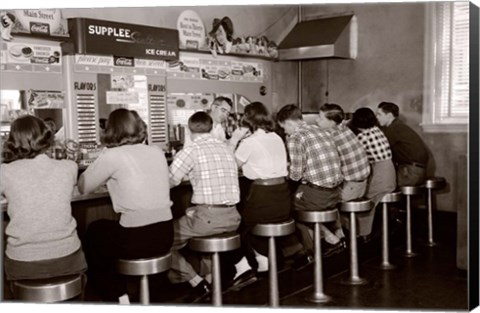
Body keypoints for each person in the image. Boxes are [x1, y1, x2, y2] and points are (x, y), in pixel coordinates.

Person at [78, 108, 173, 302]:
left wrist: (102, 156)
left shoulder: (113, 155)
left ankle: (119, 295)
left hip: (136, 239)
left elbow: (83, 187)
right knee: (106, 231)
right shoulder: (156, 151)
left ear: (110, 130)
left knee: (95, 232)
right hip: (165, 234)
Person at [1, 115, 87, 290]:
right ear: (45, 137)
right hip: (68, 259)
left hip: (24, 263)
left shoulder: (5, 172)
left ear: (13, 141)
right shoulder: (68, 167)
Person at [168, 111, 241, 303]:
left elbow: (170, 181)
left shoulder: (191, 150)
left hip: (208, 219)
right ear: (211, 127)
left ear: (188, 130)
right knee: (199, 221)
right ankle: (210, 281)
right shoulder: (226, 148)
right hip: (233, 217)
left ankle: (196, 281)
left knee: (162, 239)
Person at [276, 104, 345, 256]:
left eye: (284, 128)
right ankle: (333, 236)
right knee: (300, 196)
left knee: (287, 210)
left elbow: (296, 175)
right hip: (335, 194)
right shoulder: (321, 130)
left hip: (318, 196)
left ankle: (316, 249)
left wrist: (283, 170)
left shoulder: (295, 137)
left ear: (289, 123)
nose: (284, 131)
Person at [316, 103, 371, 242]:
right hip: (361, 185)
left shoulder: (332, 136)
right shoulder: (344, 129)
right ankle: (339, 233)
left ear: (332, 122)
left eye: (320, 118)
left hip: (350, 188)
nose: (317, 120)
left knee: (315, 202)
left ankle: (332, 238)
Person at [348, 107, 396, 240]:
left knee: (364, 200)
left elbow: (354, 158)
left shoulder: (362, 137)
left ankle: (362, 234)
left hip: (380, 176)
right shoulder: (377, 130)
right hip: (390, 174)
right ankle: (367, 233)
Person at [376, 102, 429, 186]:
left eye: (379, 114)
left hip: (410, 173)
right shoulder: (399, 126)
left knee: (376, 184)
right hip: (417, 171)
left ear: (389, 115)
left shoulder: (393, 129)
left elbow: (381, 153)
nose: (377, 118)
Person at [183, 96, 248, 150]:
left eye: (227, 113)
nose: (225, 115)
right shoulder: (200, 122)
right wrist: (234, 140)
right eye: (223, 110)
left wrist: (237, 136)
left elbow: (223, 144)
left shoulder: (219, 127)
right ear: (213, 107)